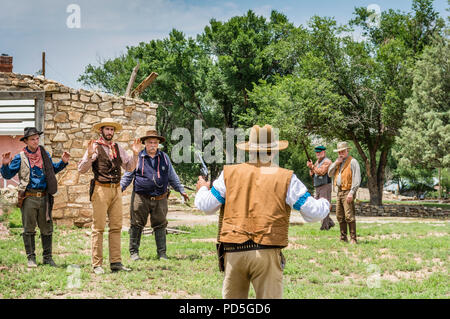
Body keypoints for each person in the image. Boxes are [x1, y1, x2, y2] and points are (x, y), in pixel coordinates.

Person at [194, 125, 330, 299]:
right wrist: (325, 203)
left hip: (234, 251)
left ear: (249, 150)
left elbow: (206, 206)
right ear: (273, 151)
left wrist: (203, 189)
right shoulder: (286, 177)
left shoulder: (229, 174)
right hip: (267, 251)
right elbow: (313, 212)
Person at [78, 118, 140, 274]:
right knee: (98, 228)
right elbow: (81, 169)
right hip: (100, 189)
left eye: (112, 130)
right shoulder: (95, 147)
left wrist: (135, 154)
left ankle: (116, 262)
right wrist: (90, 156)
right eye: (107, 129)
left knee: (116, 227)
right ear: (101, 131)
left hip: (116, 189)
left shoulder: (117, 147)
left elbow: (129, 167)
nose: (110, 132)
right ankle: (97, 264)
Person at [1, 127, 70, 268]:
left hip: (44, 197)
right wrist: (5, 164)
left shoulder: (45, 155)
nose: (35, 141)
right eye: (32, 139)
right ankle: (31, 258)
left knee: (46, 228)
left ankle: (47, 258)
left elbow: (52, 169)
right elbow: (8, 175)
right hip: (29, 197)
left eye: (37, 138)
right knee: (29, 228)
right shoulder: (20, 157)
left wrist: (63, 162)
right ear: (26, 141)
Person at [121, 130, 189, 261]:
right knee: (136, 224)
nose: (153, 145)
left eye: (155, 142)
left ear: (158, 144)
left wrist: (181, 190)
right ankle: (134, 253)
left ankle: (162, 253)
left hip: (160, 198)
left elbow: (172, 176)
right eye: (150, 142)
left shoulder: (164, 157)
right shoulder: (138, 157)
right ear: (145, 143)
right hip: (140, 197)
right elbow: (128, 176)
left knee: (160, 224)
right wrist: (119, 189)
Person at [328, 142, 361, 244]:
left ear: (347, 151)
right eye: (339, 152)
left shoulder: (353, 162)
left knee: (349, 215)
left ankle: (353, 238)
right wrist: (335, 163)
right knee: (339, 215)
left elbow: (357, 178)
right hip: (339, 191)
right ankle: (343, 237)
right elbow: (329, 173)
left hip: (348, 191)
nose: (340, 153)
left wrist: (352, 193)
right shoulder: (338, 162)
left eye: (342, 151)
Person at [307, 145, 335, 230]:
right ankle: (329, 222)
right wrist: (311, 168)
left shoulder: (327, 161)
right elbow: (312, 174)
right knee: (317, 206)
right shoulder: (317, 162)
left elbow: (322, 172)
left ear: (324, 152)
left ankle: (325, 226)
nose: (318, 154)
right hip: (318, 186)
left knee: (324, 206)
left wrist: (312, 167)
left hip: (325, 186)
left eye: (319, 152)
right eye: (317, 152)